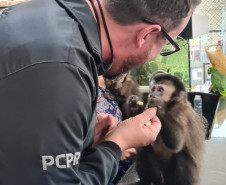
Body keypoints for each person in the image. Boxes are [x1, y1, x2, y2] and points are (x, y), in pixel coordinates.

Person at [0, 0, 200, 184]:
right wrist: (116, 144)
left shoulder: (51, 15)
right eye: (167, 45)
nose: (156, 55)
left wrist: (83, 142)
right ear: (147, 34)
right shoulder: (65, 66)